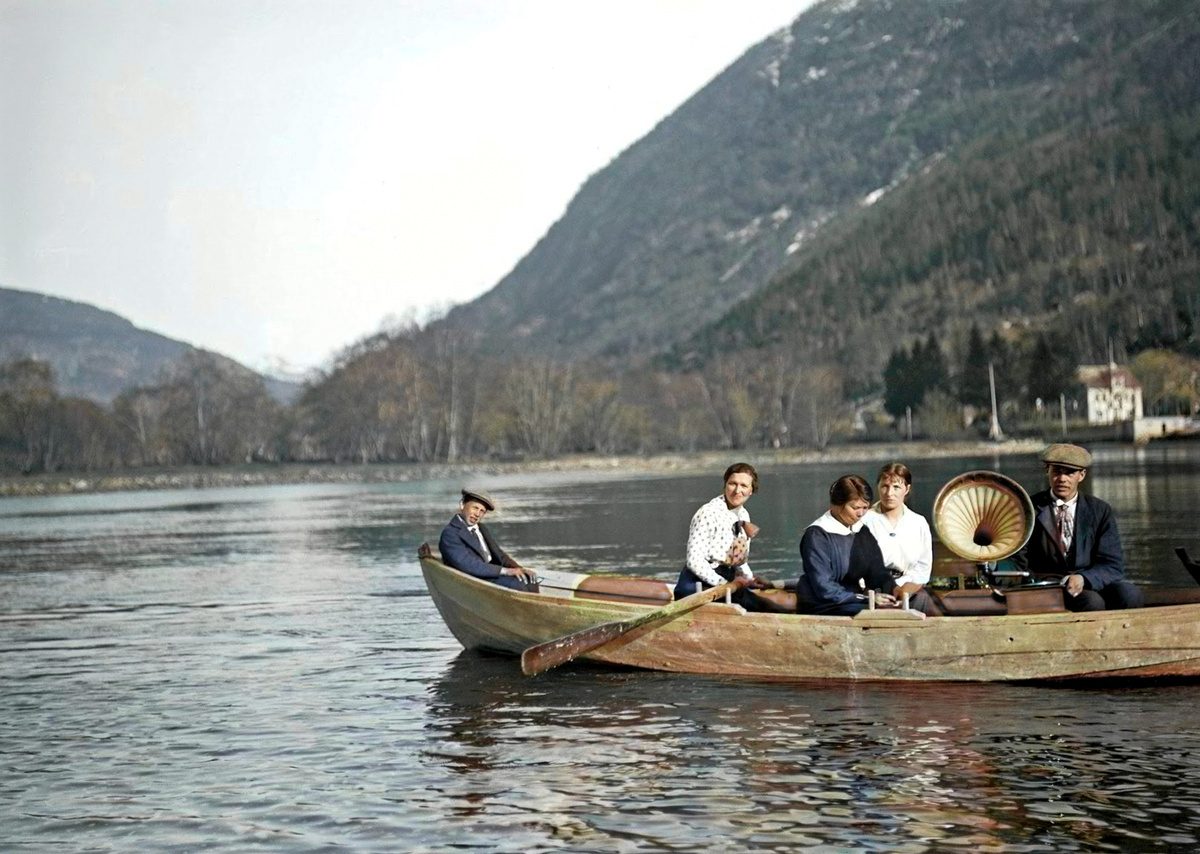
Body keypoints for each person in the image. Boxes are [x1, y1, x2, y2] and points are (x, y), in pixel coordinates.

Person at [1011, 443, 1143, 611]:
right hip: (1048, 585)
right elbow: (1017, 561)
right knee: (1092, 602)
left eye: (1069, 473)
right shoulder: (1028, 508)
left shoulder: (1100, 510)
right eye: (1057, 471)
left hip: (1089, 580)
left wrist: (1083, 578)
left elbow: (1112, 565)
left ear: (1081, 475)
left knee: (1130, 594)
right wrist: (1036, 582)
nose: (1062, 479)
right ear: (1047, 471)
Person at [673, 462, 771, 609]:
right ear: (725, 485)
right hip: (696, 586)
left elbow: (738, 560)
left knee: (764, 605)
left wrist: (750, 580)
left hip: (727, 581)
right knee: (753, 609)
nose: (737, 490)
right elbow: (694, 561)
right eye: (733, 484)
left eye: (744, 486)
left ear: (751, 490)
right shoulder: (707, 512)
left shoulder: (744, 516)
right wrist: (723, 584)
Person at [796, 475, 898, 616]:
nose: (860, 514)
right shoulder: (817, 536)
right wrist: (867, 599)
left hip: (854, 599)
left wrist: (893, 590)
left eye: (865, 508)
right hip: (823, 604)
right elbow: (824, 587)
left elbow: (877, 571)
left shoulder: (862, 531)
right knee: (879, 614)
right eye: (855, 508)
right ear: (837, 505)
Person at [862, 463, 941, 615]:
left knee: (925, 604)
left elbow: (923, 568)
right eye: (885, 486)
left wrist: (907, 589)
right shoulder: (864, 520)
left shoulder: (918, 523)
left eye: (896, 487)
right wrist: (868, 594)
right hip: (874, 591)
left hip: (909, 588)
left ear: (907, 489)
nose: (889, 493)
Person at [438, 488, 538, 591]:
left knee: (530, 580)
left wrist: (519, 569)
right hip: (471, 581)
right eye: (475, 508)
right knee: (517, 584)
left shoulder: (481, 528)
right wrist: (506, 571)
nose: (477, 514)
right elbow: (467, 564)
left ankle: (534, 607)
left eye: (482, 511)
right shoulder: (450, 533)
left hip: (489, 575)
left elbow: (499, 554)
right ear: (462, 505)